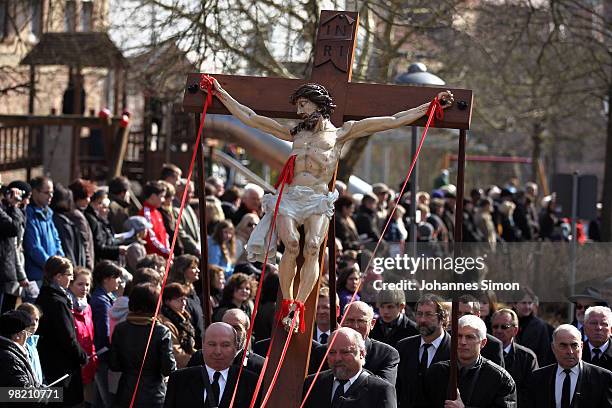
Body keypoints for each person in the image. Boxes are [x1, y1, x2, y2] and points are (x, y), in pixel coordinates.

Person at [213, 79, 453, 329]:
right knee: (292, 245)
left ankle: (298, 307)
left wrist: (429, 106)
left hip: (317, 198)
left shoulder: (341, 132)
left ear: (318, 104)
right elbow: (251, 118)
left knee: (314, 246)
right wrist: (221, 93)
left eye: (303, 105)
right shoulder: (295, 133)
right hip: (290, 196)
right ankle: (288, 301)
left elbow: (391, 120)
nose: (298, 111)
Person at [425, 315, 517, 408]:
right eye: (459, 336)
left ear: (483, 343)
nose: (462, 342)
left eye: (470, 337)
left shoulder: (500, 379)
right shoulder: (437, 372)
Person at [110, 283, 176, 408]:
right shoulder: (161, 331)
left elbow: (114, 364)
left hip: (126, 394)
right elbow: (168, 368)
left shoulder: (121, 329)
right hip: (155, 396)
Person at [164, 322, 259, 408]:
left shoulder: (251, 383)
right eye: (212, 344)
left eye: (225, 345)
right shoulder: (180, 379)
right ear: (202, 346)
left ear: (235, 348)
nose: (218, 351)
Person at [36, 256, 87, 405]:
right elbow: (68, 337)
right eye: (69, 275)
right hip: (62, 369)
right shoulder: (57, 303)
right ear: (58, 277)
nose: (71, 279)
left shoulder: (44, 297)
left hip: (50, 364)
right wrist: (82, 356)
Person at [302, 327, 397, 408]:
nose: (337, 358)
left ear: (362, 354)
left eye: (345, 352)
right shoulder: (312, 384)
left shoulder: (381, 390)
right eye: (332, 352)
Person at [524, 324, 612, 408]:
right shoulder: (538, 377)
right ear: (553, 348)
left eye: (574, 345)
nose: (570, 351)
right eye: (563, 346)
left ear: (581, 346)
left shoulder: (602, 378)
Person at [396, 294, 451, 408]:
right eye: (419, 314)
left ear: (443, 317)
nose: (422, 320)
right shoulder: (403, 347)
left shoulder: (455, 350)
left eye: (429, 314)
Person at [339, 301, 400, 385]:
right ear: (341, 321)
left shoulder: (386, 354)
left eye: (361, 321)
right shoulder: (324, 352)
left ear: (372, 324)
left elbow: (384, 389)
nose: (355, 326)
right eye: (350, 320)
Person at [187, 308, 265, 374]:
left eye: (236, 328)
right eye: (226, 326)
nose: (230, 331)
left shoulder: (258, 366)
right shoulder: (200, 358)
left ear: (247, 333)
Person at [24, 176, 64, 293]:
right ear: (35, 192)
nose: (50, 196)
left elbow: (57, 241)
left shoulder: (48, 213)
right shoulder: (29, 214)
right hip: (37, 276)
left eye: (52, 192)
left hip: (53, 274)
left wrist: (62, 262)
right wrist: (54, 267)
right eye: (46, 192)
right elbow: (34, 248)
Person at [91, 260, 123, 407]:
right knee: (108, 400)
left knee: (100, 400)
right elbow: (105, 332)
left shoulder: (107, 297)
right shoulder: (100, 301)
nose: (119, 281)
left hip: (103, 356)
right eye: (116, 277)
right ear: (106, 279)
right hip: (104, 356)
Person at [491, 308, 538, 401]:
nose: (499, 330)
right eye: (495, 326)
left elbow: (532, 392)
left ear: (515, 330)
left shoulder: (527, 358)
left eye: (504, 327)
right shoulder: (483, 353)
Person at [68, 267, 99, 405]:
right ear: (70, 284)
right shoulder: (67, 307)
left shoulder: (87, 307)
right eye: (80, 284)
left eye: (87, 284)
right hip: (75, 361)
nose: (85, 288)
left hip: (89, 360)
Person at [0, 182, 28, 312]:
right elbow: (14, 229)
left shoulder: (7, 209)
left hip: (8, 273)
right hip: (5, 273)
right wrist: (13, 205)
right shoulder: (5, 210)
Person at [457, 295, 505, 367]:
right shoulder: (447, 339)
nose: (463, 317)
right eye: (458, 313)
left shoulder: (493, 345)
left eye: (468, 314)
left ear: (478, 315)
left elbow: (498, 375)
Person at [169, 254, 204, 348]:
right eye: (193, 267)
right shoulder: (176, 294)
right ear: (182, 270)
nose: (198, 271)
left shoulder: (193, 292)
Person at [158, 283, 196, 368]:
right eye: (180, 300)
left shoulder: (184, 320)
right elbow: (177, 354)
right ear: (167, 301)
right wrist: (197, 360)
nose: (184, 303)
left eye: (185, 299)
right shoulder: (166, 323)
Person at [86, 189, 127, 263]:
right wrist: (118, 250)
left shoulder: (102, 221)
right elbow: (99, 247)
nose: (107, 210)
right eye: (100, 204)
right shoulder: (93, 220)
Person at [513, 291, 553, 366]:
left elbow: (544, 353)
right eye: (524, 303)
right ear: (515, 304)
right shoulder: (507, 322)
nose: (527, 307)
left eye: (530, 303)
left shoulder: (540, 326)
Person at [0, 309, 39, 387]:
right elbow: (21, 392)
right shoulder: (10, 358)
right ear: (17, 334)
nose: (27, 337)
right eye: (27, 333)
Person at [68, 178, 96, 269]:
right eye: (85, 197)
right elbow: (85, 244)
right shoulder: (77, 217)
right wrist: (89, 266)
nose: (88, 200)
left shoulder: (76, 214)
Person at [139, 181, 171, 258]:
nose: (163, 200)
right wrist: (165, 251)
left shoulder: (157, 212)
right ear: (153, 196)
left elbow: (164, 234)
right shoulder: (145, 213)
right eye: (161, 196)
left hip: (162, 256)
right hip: (154, 257)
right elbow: (151, 239)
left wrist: (167, 249)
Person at [16, 302, 44, 385]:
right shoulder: (17, 343)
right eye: (31, 319)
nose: (34, 324)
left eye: (37, 320)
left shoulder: (33, 343)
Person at [174, 179, 201, 256]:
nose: (192, 195)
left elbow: (197, 227)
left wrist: (199, 243)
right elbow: (180, 232)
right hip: (186, 253)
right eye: (190, 192)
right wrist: (195, 246)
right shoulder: (174, 209)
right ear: (181, 192)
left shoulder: (188, 207)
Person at [582, 306, 612, 372]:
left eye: (604, 324)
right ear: (584, 328)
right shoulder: (575, 353)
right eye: (593, 323)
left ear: (611, 330)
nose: (598, 328)